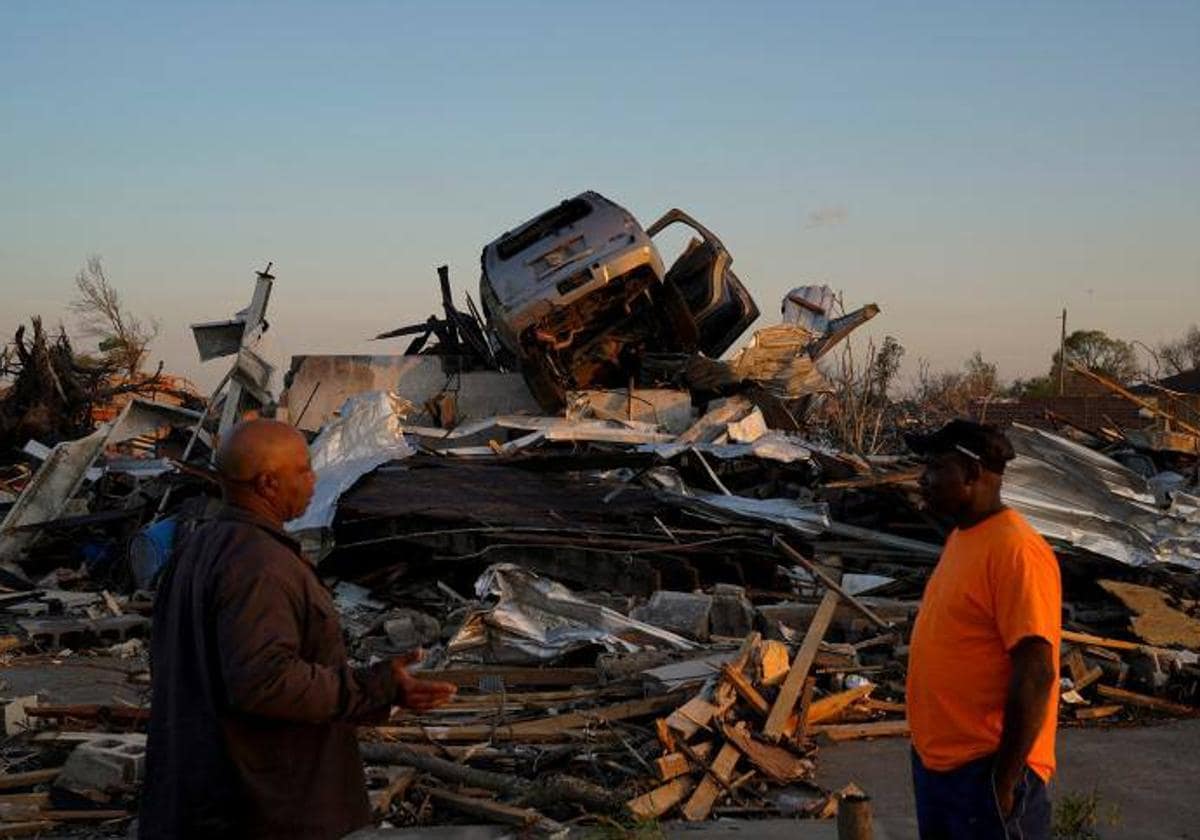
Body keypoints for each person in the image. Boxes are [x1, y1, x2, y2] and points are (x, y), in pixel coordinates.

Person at [140, 419, 456, 839]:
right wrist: (377, 686)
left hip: (201, 795)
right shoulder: (260, 565)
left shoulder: (200, 548)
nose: (313, 479)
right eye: (304, 469)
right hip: (261, 808)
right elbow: (264, 682)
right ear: (268, 484)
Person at [905, 420, 1061, 840]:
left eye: (935, 467)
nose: (924, 478)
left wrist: (1004, 783)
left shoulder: (1016, 551)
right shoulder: (964, 538)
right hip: (941, 770)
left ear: (972, 474)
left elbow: (1036, 673)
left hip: (985, 773)